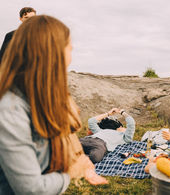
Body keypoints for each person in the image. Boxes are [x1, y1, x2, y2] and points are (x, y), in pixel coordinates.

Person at [0, 15, 107, 195]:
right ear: (51, 54)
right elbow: (31, 190)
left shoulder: (39, 98)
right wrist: (71, 172)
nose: (71, 54)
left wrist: (78, 159)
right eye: (68, 47)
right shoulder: (10, 111)